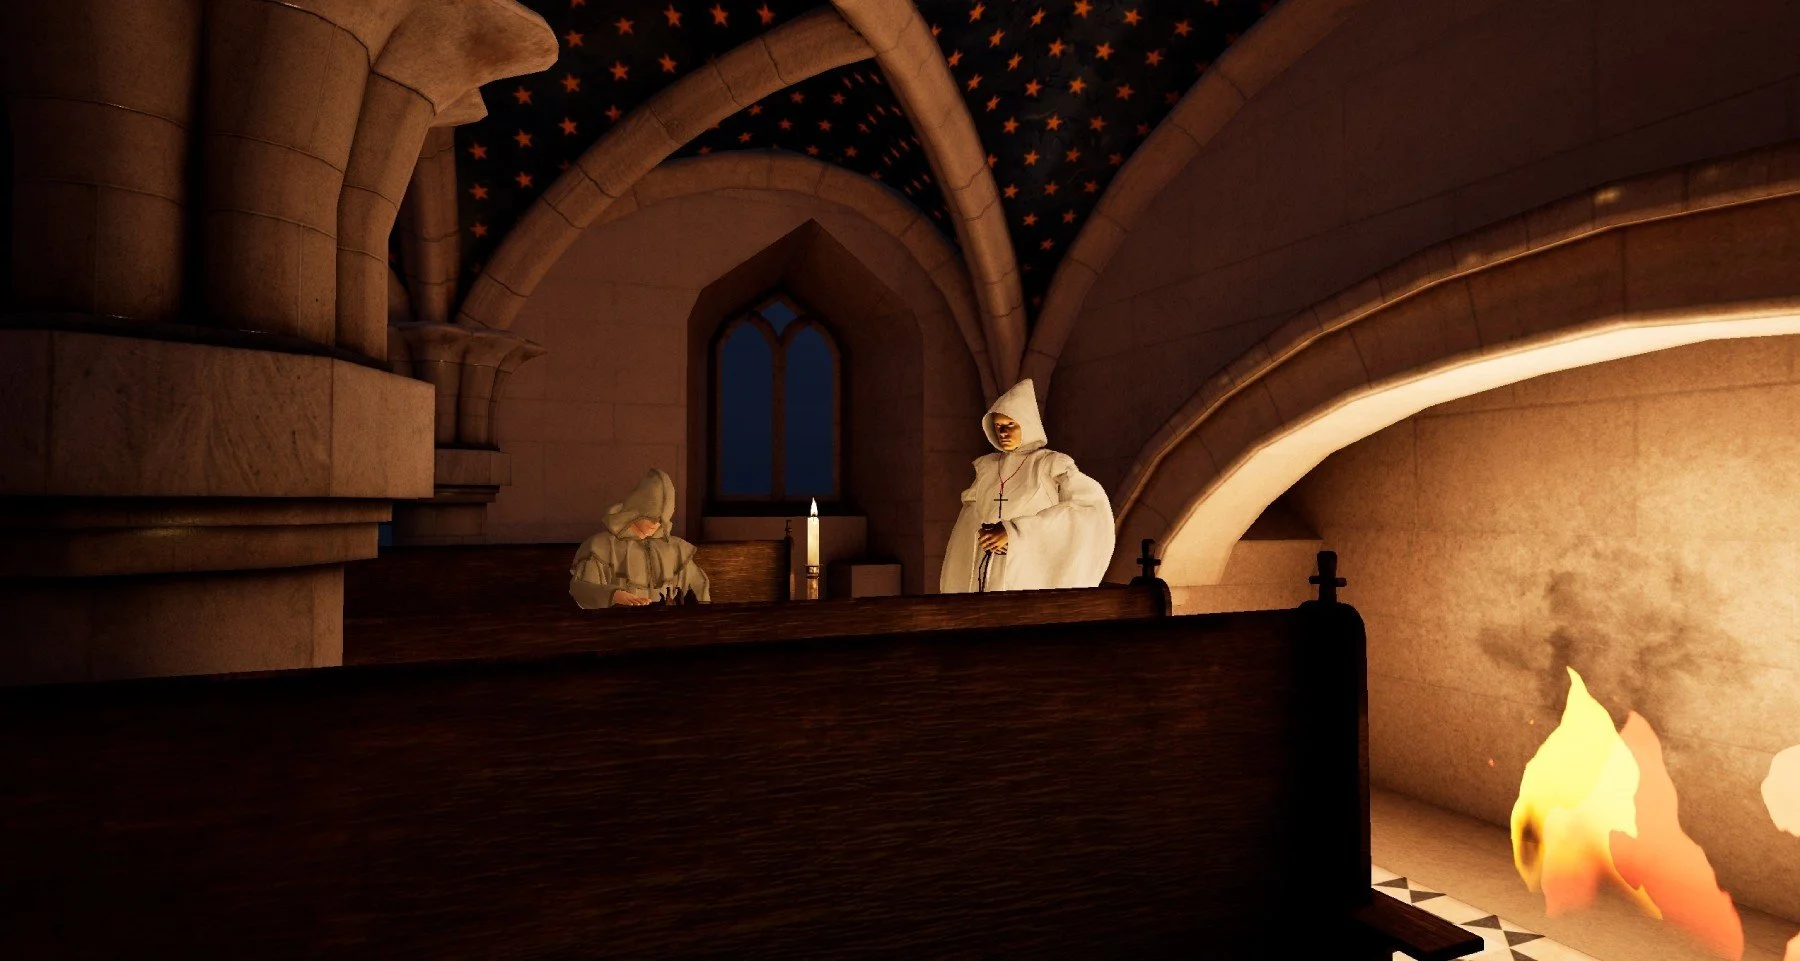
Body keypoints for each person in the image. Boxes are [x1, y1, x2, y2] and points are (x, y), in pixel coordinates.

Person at [940, 378, 1115, 593]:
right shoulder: (987, 469)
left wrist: (1015, 533)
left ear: (1026, 423)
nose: (1003, 433)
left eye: (1010, 425)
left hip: (1027, 573)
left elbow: (1087, 508)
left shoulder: (1050, 464)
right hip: (984, 574)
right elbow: (966, 526)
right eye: (998, 427)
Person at [569, 467, 711, 609]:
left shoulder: (676, 549)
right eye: (650, 517)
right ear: (636, 511)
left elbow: (698, 584)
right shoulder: (600, 546)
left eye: (661, 519)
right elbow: (581, 589)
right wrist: (614, 595)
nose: (656, 523)